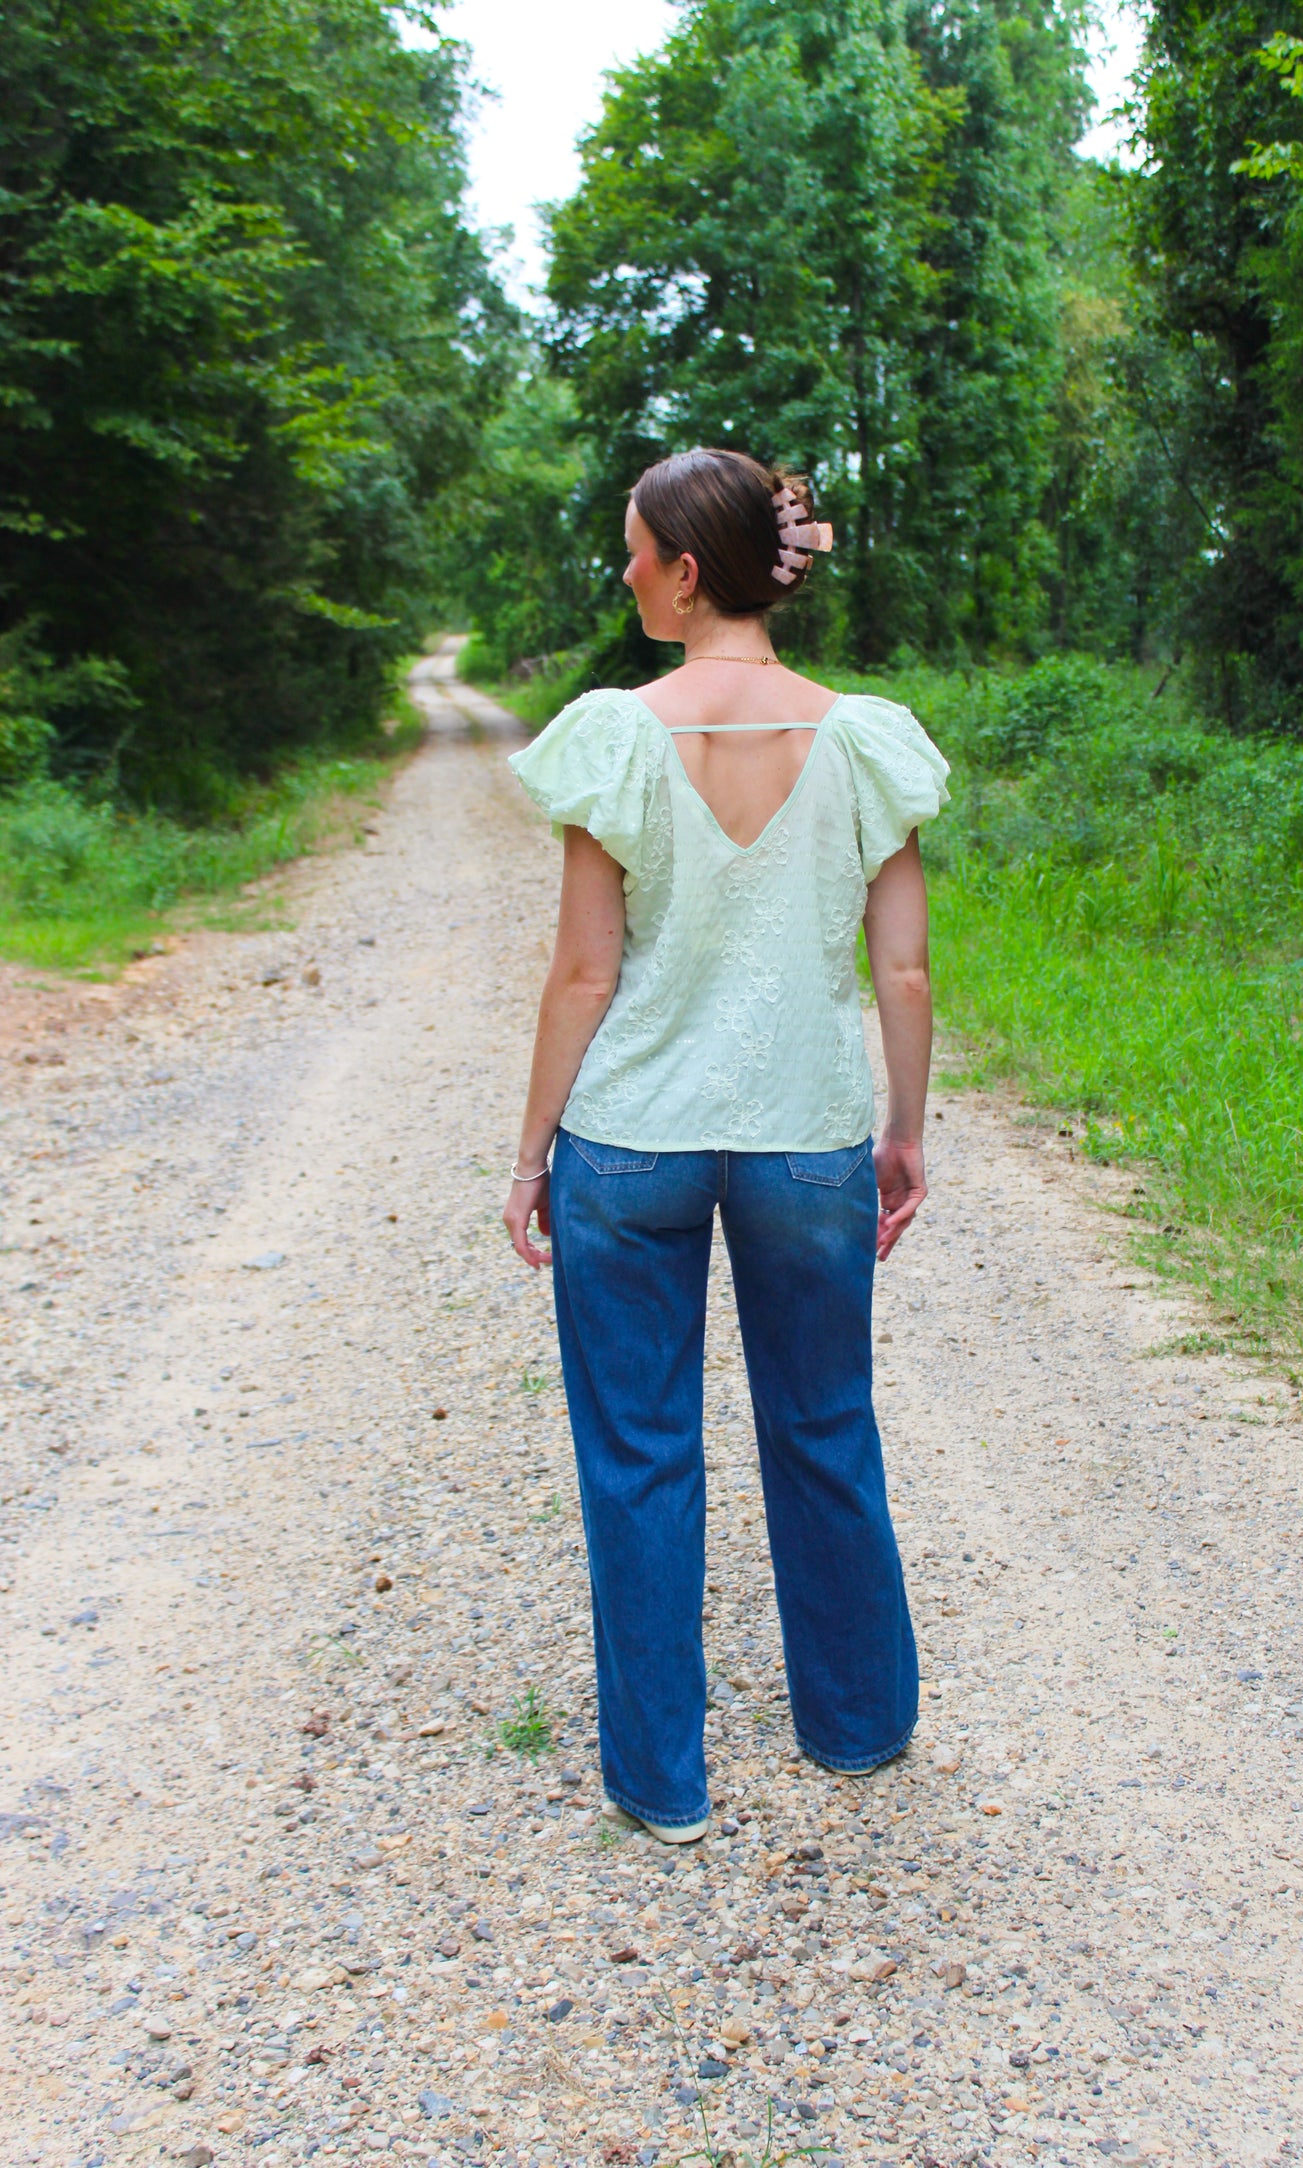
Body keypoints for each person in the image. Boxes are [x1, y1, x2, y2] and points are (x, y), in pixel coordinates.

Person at [503, 447, 948, 1843]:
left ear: (687, 571)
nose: (624, 569)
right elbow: (907, 973)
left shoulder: (619, 735)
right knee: (823, 1429)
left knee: (637, 1454)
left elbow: (583, 973)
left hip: (630, 1141)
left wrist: (529, 1157)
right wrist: (903, 1131)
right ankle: (858, 1729)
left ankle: (661, 1781)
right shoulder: (864, 735)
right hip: (805, 1137)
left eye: (634, 548)